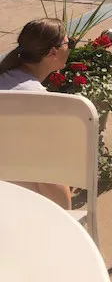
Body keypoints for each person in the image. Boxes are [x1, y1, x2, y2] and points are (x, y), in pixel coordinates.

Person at [0, 18, 73, 209]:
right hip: (17, 204)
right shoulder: (37, 102)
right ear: (53, 52)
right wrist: (65, 221)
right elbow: (49, 178)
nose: (70, 46)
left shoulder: (6, 77)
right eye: (68, 43)